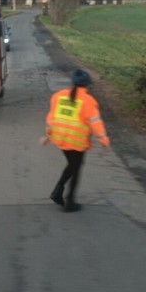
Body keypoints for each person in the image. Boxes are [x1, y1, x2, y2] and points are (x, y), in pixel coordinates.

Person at [42, 69, 110, 212]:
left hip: (60, 137)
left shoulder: (58, 96)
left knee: (73, 165)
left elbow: (51, 118)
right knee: (76, 167)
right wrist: (103, 139)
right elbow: (95, 122)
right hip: (77, 140)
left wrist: (48, 135)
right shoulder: (88, 101)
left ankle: (60, 192)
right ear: (87, 85)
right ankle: (68, 199)